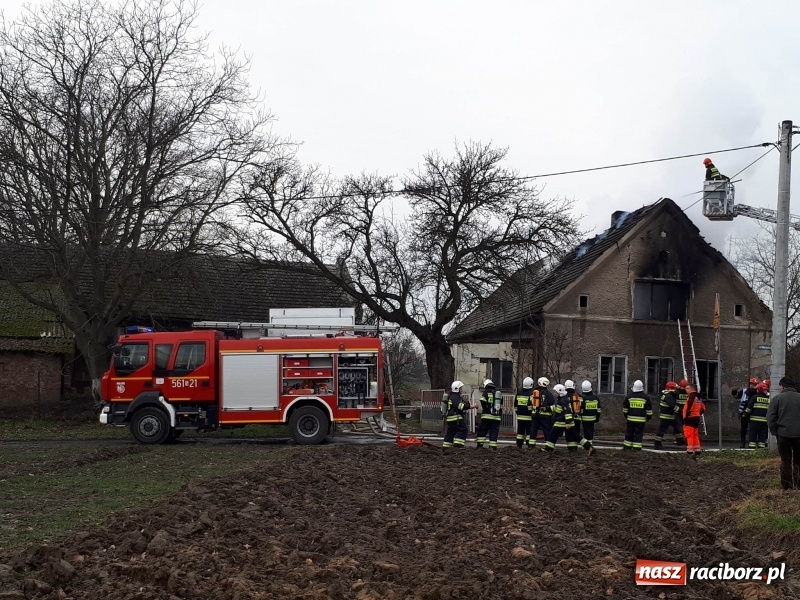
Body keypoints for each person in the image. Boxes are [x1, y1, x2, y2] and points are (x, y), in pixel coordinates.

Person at [767, 376, 800, 490]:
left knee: (786, 461)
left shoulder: (777, 399)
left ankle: (787, 486)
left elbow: (770, 418)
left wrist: (776, 432)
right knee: (798, 460)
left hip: (783, 435)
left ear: (783, 386)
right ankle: (798, 484)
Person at [442, 381, 474, 449]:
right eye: (460, 388)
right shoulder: (455, 396)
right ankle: (458, 445)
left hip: (450, 418)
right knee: (463, 430)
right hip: (456, 418)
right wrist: (470, 406)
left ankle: (446, 447)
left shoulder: (452, 396)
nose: (461, 390)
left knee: (451, 432)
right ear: (457, 388)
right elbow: (459, 406)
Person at [623, 380, 652, 451]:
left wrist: (626, 416)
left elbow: (625, 409)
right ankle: (636, 448)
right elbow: (649, 410)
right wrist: (648, 417)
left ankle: (627, 447)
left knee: (629, 433)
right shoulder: (646, 397)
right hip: (641, 420)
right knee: (638, 433)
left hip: (630, 419)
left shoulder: (629, 396)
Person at [475, 378, 502, 450]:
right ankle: (492, 446)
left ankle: (480, 445)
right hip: (496, 417)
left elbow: (482, 400)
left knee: (482, 431)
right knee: (494, 432)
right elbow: (500, 405)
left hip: (486, 416)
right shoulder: (498, 393)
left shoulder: (486, 392)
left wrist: (486, 407)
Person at [529, 377, 555, 450]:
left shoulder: (533, 393)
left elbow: (529, 404)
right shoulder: (548, 393)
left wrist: (533, 412)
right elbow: (552, 404)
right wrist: (547, 409)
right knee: (547, 431)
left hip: (535, 415)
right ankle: (548, 447)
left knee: (533, 431)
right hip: (545, 416)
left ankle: (531, 446)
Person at [654, 381, 681, 449]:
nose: (676, 390)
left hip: (669, 416)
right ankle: (657, 444)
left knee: (677, 427)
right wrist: (680, 411)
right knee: (662, 430)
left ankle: (680, 440)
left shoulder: (666, 394)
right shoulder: (668, 396)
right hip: (666, 416)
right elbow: (672, 405)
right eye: (675, 389)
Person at [682, 384, 706, 459]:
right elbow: (703, 408)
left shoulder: (691, 396)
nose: (686, 390)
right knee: (695, 434)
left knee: (689, 435)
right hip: (696, 418)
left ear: (692, 389)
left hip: (690, 418)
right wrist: (698, 413)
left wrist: (686, 416)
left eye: (687, 388)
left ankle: (690, 452)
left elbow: (689, 406)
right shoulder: (698, 397)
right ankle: (697, 450)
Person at [745, 382, 770, 449]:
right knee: (762, 435)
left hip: (754, 421)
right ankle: (761, 449)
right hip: (764, 421)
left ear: (758, 390)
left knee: (753, 435)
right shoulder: (768, 399)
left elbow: (748, 409)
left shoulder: (754, 397)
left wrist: (745, 415)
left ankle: (752, 448)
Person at [737, 377, 760, 448]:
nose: (752, 386)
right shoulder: (744, 391)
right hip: (744, 414)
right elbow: (736, 396)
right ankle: (742, 442)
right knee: (743, 429)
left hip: (754, 414)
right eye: (751, 384)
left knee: (753, 429)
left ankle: (752, 442)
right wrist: (734, 391)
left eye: (754, 384)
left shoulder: (758, 392)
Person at [514, 377, 536, 448]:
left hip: (520, 417)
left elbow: (515, 405)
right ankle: (529, 445)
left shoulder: (519, 393)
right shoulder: (532, 394)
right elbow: (534, 405)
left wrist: (518, 413)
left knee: (520, 432)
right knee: (529, 432)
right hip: (529, 417)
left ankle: (519, 445)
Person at [578, 380, 601, 449]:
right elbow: (598, 410)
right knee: (590, 431)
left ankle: (588, 446)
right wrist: (597, 417)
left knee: (586, 432)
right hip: (593, 418)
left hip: (585, 418)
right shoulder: (596, 398)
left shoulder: (582, 398)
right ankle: (589, 444)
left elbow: (579, 408)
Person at [673, 379, 689, 445]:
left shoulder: (676, 392)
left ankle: (679, 440)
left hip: (678, 412)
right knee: (686, 426)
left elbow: (673, 402)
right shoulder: (688, 393)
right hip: (686, 412)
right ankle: (685, 439)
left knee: (678, 426)